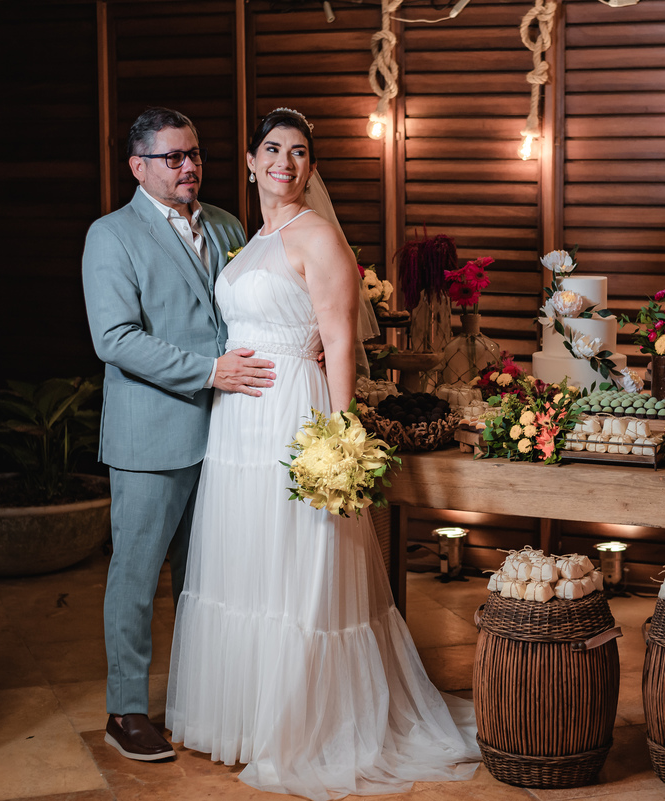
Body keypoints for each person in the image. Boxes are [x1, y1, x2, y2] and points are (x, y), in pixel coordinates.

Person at [165, 107, 480, 798]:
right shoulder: (249, 241)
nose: (285, 162)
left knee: (299, 563)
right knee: (246, 563)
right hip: (236, 424)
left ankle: (307, 724)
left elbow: (338, 342)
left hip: (290, 414)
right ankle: (250, 716)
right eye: (272, 149)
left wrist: (339, 437)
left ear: (311, 166)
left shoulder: (320, 238)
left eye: (299, 151)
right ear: (250, 161)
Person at [82, 107, 277, 763]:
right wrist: (210, 371)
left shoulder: (226, 224)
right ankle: (126, 708)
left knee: (205, 579)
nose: (189, 166)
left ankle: (200, 700)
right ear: (139, 166)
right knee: (136, 579)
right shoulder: (111, 236)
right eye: (173, 157)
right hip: (150, 437)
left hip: (228, 436)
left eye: (194, 154)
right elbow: (114, 339)